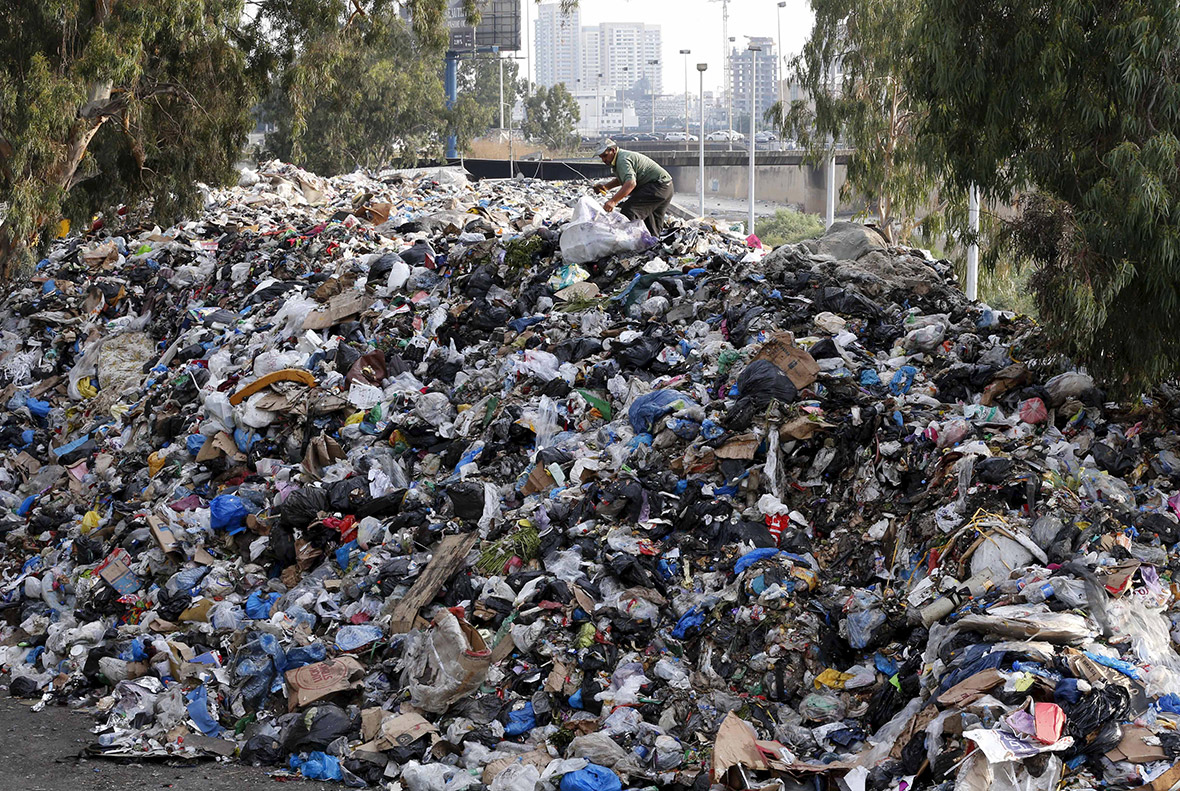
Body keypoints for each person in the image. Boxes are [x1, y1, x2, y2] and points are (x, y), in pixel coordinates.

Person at [593, 139, 675, 236]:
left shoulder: (622, 160)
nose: (603, 160)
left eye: (605, 156)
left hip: (657, 187)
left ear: (613, 150)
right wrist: (605, 187)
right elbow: (622, 178)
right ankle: (653, 245)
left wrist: (613, 201)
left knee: (629, 211)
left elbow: (631, 183)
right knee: (652, 226)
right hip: (666, 187)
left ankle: (626, 242)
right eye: (601, 157)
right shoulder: (620, 158)